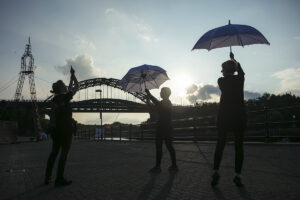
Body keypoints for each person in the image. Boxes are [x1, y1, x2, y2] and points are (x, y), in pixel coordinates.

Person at [211, 52, 247, 187]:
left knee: (220, 145)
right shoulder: (240, 80)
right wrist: (234, 59)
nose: (221, 71)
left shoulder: (221, 81)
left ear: (225, 71)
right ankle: (237, 175)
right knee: (239, 147)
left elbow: (236, 72)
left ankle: (215, 172)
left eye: (222, 69)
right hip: (239, 117)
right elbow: (241, 71)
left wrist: (232, 63)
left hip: (224, 117)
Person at [44, 66, 79, 187]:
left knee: (54, 153)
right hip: (66, 130)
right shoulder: (66, 97)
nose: (66, 86)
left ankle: (47, 178)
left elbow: (69, 89)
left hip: (56, 131)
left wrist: (70, 78)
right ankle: (59, 179)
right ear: (62, 88)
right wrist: (73, 75)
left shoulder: (54, 100)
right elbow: (77, 86)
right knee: (64, 154)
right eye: (64, 85)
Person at [145, 87, 178, 172]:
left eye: (161, 92)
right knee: (168, 146)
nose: (160, 93)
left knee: (162, 146)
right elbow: (153, 109)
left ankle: (159, 166)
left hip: (163, 127)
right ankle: (173, 165)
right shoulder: (164, 102)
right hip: (166, 127)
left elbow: (157, 104)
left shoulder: (167, 102)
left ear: (166, 93)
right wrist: (148, 100)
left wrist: (149, 94)